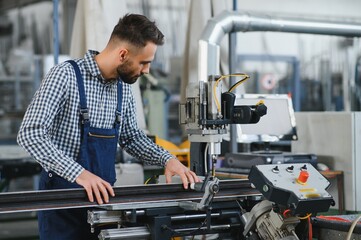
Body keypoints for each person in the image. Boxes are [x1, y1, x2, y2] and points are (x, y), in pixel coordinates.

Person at [17, 13, 199, 240]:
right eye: (144, 62)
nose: (147, 71)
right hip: (61, 205)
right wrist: (79, 174)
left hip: (103, 205)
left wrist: (168, 159)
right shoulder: (65, 76)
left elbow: (132, 137)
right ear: (123, 54)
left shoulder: (124, 89)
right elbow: (30, 133)